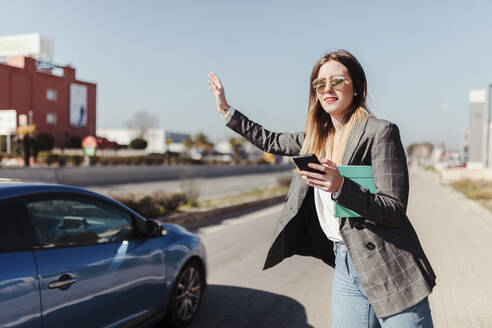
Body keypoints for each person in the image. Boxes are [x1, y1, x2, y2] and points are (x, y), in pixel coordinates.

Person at [208, 49, 436, 328]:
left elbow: (394, 210)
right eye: (319, 83)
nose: (327, 88)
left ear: (358, 87)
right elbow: (269, 140)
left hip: (389, 265)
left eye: (337, 81)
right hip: (346, 265)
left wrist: (341, 186)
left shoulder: (380, 132)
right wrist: (225, 109)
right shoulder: (315, 139)